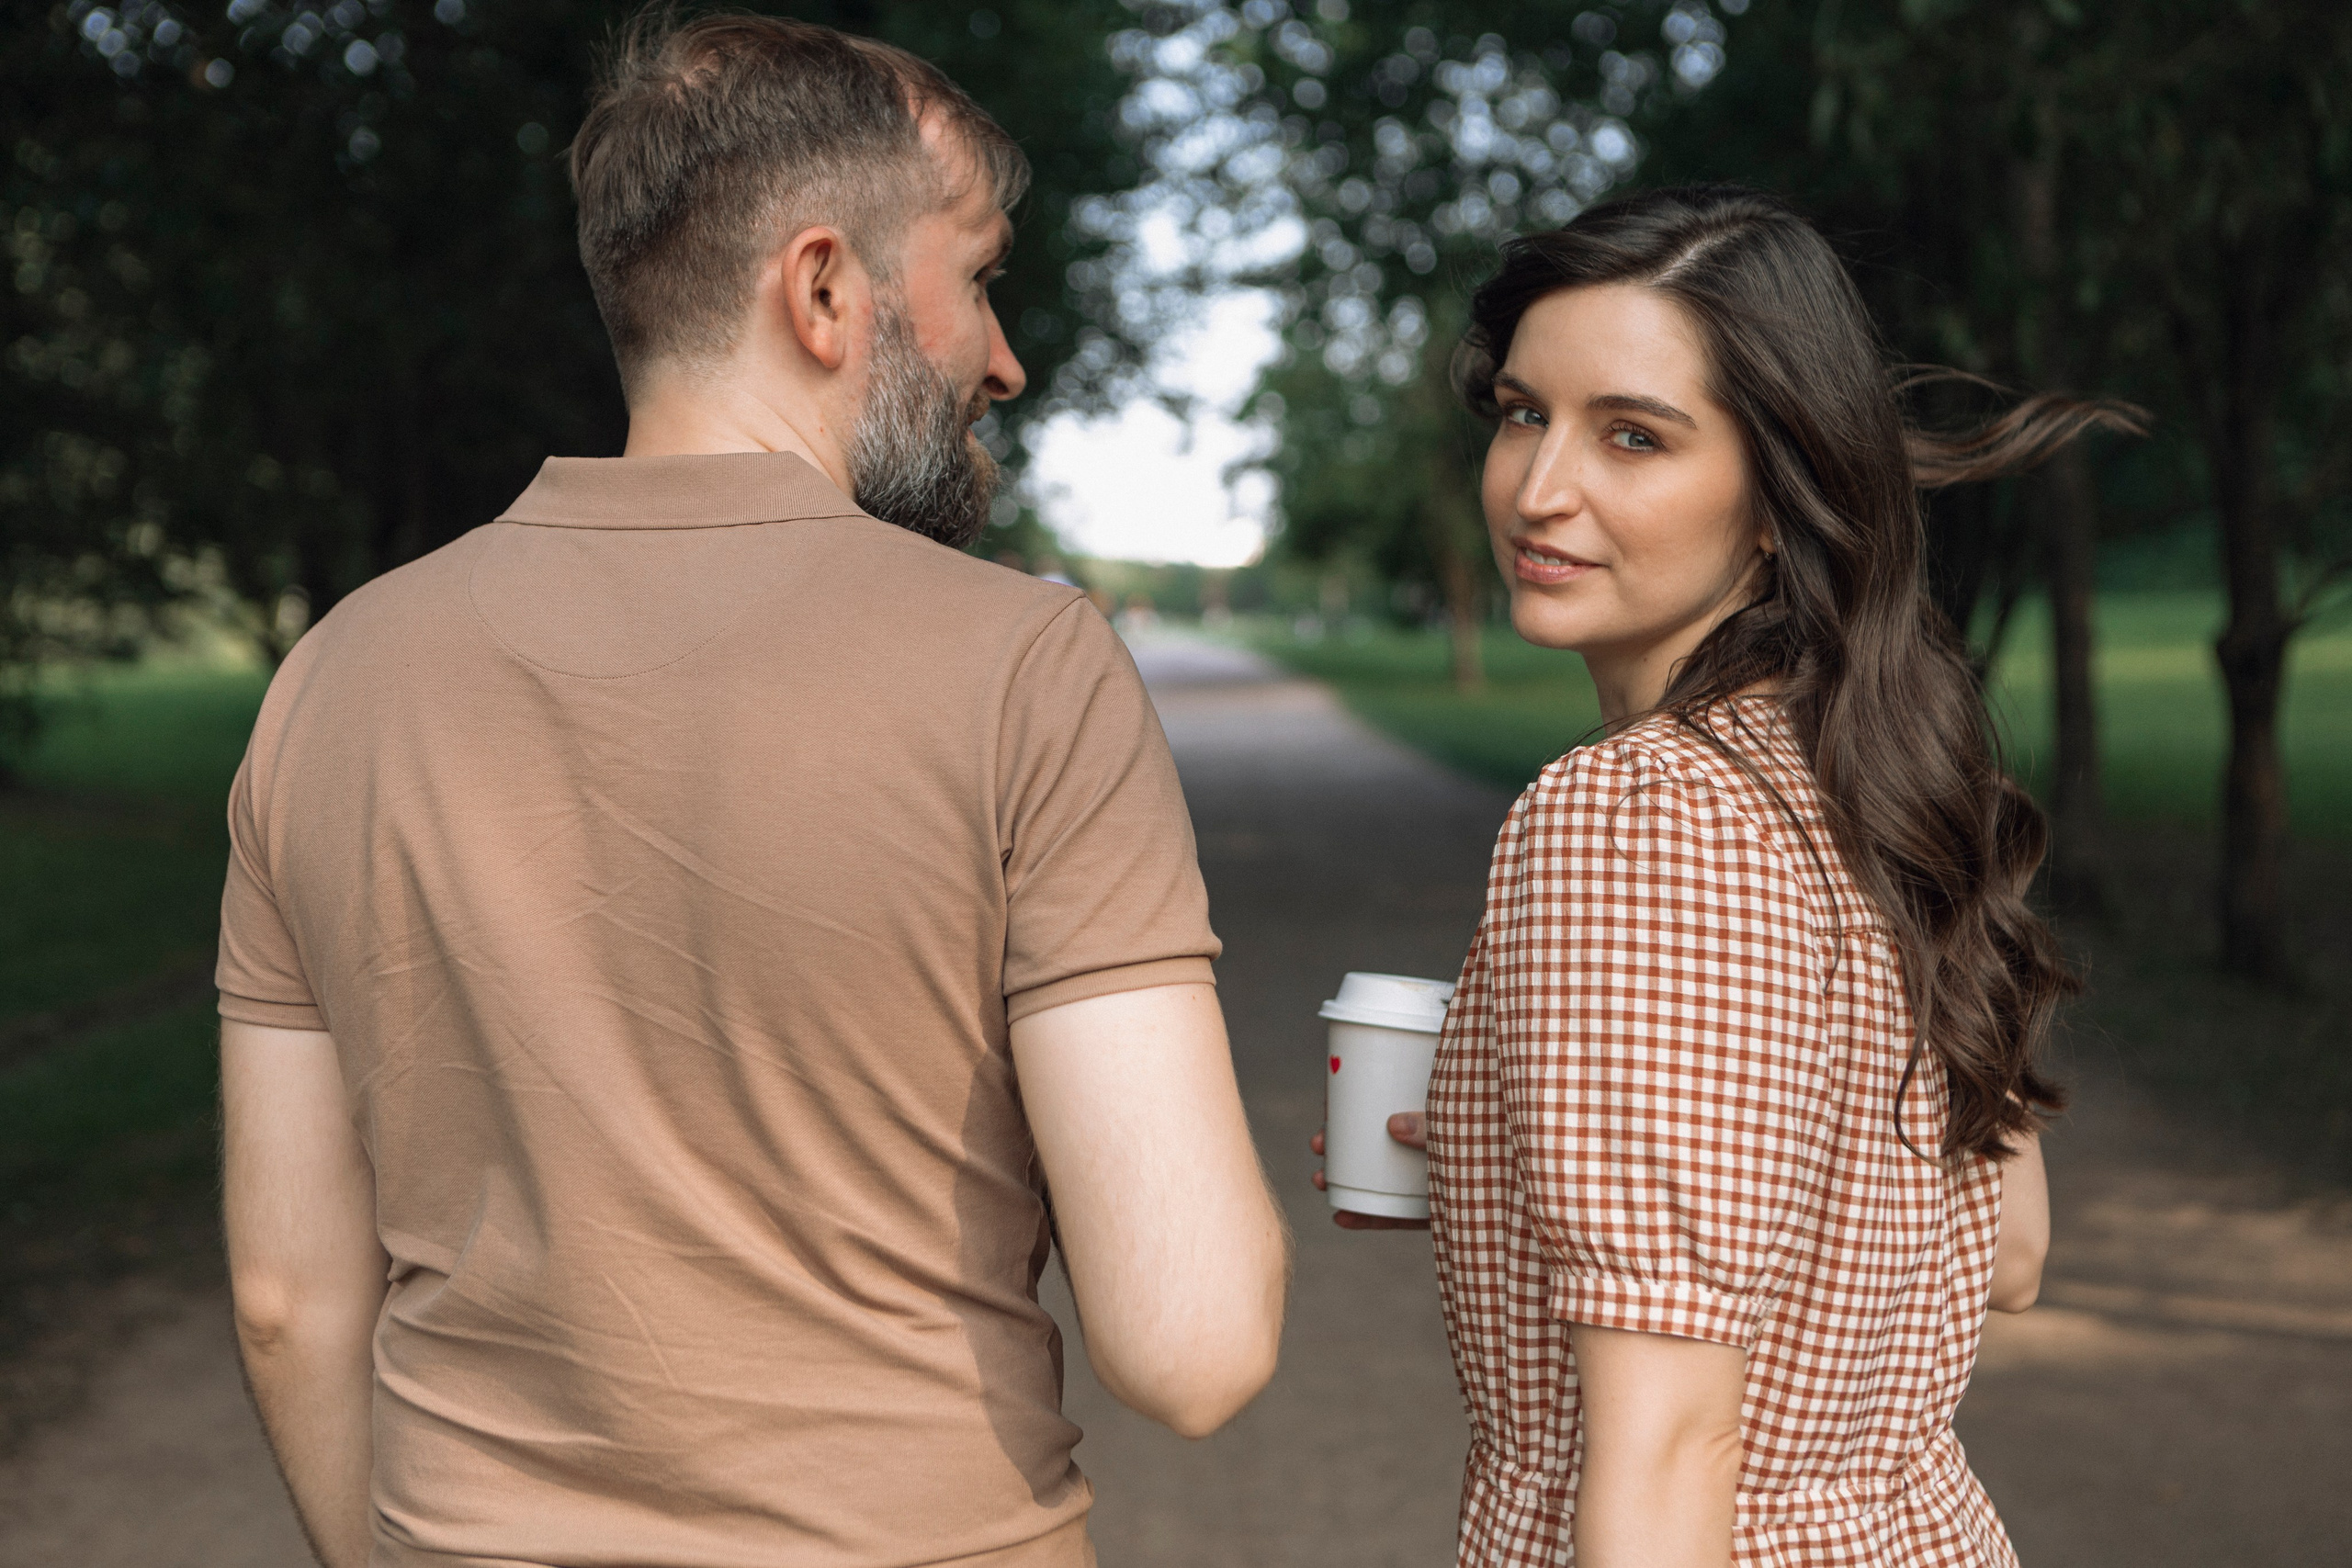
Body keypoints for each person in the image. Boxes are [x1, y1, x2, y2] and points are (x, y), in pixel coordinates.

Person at [215, 15, 1289, 1568]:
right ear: (825, 288)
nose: (1006, 356)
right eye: (978, 276)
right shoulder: (1026, 667)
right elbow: (1192, 1344)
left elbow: (284, 1302)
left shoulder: (332, 678)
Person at [1320, 186, 2131, 1566]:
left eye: (1633, 435)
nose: (1541, 486)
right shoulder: (1887, 780)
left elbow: (1668, 1443)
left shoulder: (1637, 816)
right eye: (1525, 412)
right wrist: (1529, 1123)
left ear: (1778, 500)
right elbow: (2006, 1254)